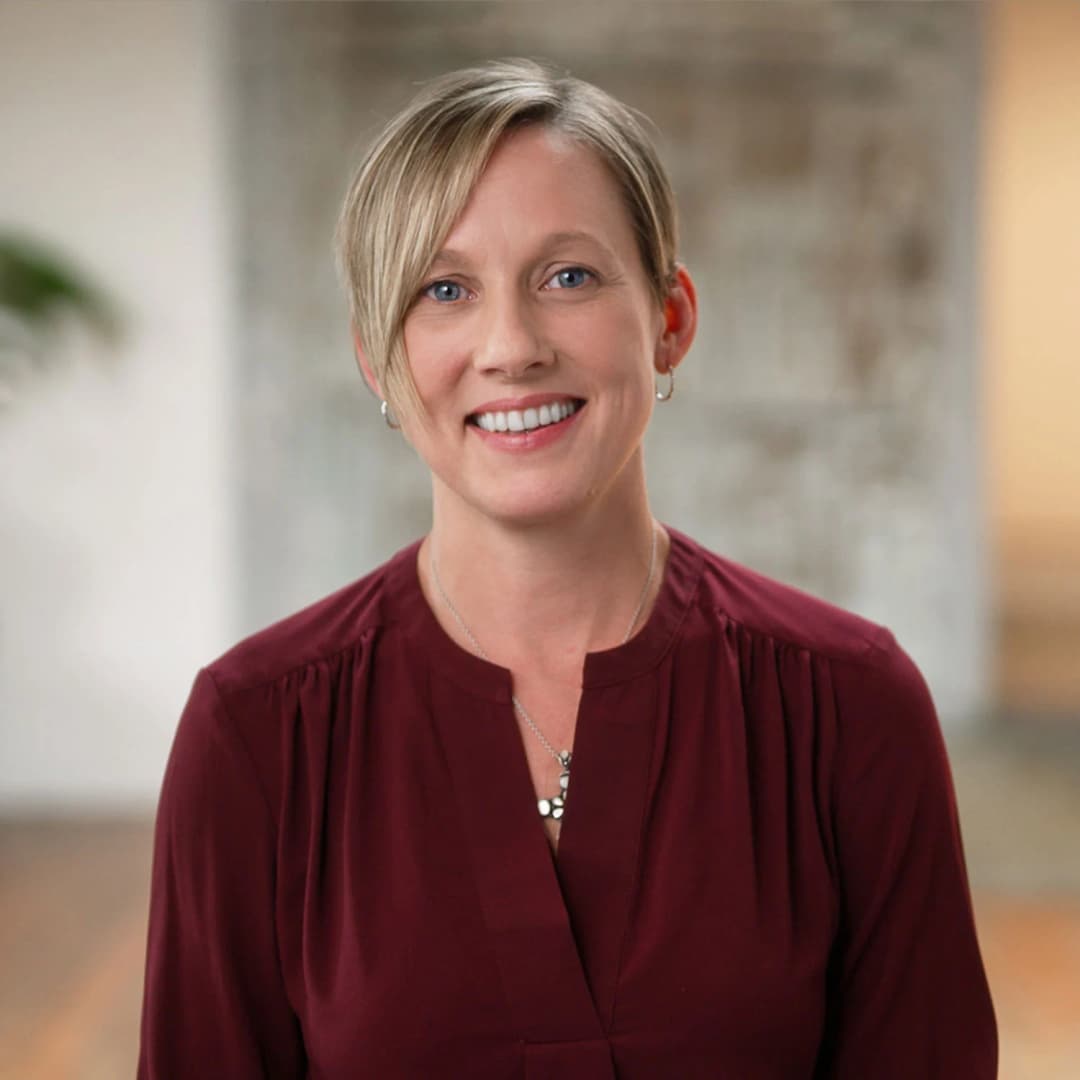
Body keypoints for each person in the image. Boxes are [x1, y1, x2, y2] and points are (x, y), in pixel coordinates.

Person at [137, 58, 997, 1078]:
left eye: (569, 276)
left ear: (670, 319)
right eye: (444, 289)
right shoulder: (258, 734)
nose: (510, 346)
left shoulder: (849, 706)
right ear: (379, 359)